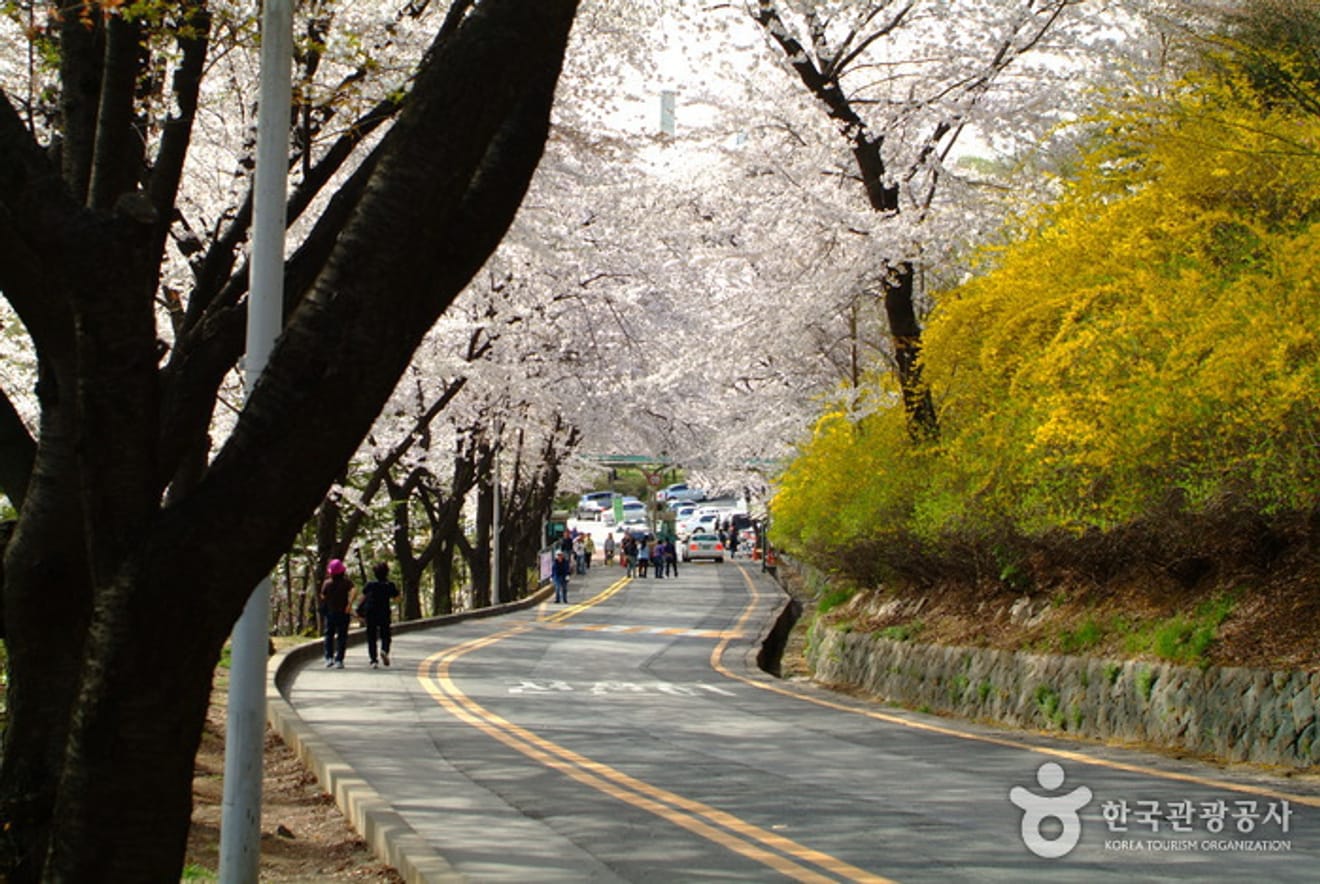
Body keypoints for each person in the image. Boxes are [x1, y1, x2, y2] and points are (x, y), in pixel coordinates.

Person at [359, 561, 400, 668]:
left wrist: (359, 611)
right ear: (387, 572)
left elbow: (362, 598)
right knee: (385, 634)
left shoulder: (370, 585)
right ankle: (384, 650)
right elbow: (397, 599)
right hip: (384, 612)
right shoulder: (389, 585)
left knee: (371, 636)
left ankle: (373, 660)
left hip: (371, 612)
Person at [319, 559, 354, 669]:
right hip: (343, 612)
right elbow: (354, 590)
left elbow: (323, 596)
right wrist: (349, 604)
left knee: (329, 636)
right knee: (342, 637)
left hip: (330, 613)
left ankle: (329, 658)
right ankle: (339, 659)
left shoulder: (327, 583)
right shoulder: (346, 582)